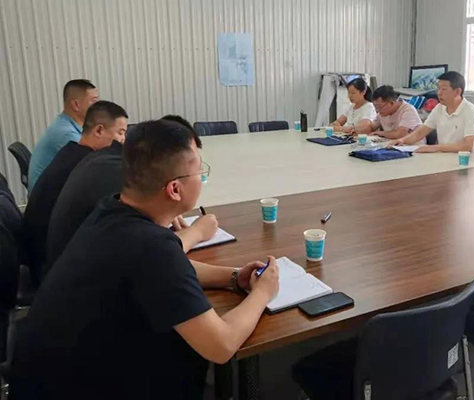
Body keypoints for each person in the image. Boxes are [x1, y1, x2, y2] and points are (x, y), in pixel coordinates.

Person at [11, 119, 280, 399]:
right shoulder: (151, 246)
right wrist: (263, 292)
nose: (202, 177)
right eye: (200, 171)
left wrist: (234, 276)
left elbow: (170, 270)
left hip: (48, 375)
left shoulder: (113, 209)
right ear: (174, 189)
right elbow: (221, 345)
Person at [46, 115, 214, 275]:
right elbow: (156, 256)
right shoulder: (116, 178)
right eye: (199, 169)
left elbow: (159, 263)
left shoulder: (109, 168)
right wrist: (197, 231)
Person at [22, 101, 128, 287]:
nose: (123, 140)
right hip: (52, 269)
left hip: (40, 256)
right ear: (99, 130)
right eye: (120, 133)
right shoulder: (91, 164)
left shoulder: (72, 152)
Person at [28, 79, 99, 191]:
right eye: (94, 101)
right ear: (76, 105)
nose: (98, 107)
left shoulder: (67, 124)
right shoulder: (66, 134)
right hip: (49, 197)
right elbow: (92, 163)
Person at [388, 71, 474, 154]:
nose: (439, 93)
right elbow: (421, 132)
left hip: (465, 162)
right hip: (443, 158)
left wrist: (436, 147)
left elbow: (468, 146)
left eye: (444, 89)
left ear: (457, 92)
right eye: (438, 88)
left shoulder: (470, 111)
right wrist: (402, 140)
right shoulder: (439, 108)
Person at [357, 85, 422, 139]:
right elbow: (372, 127)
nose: (377, 110)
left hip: (413, 146)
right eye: (375, 107)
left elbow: (400, 134)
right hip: (392, 144)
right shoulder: (382, 113)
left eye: (379, 107)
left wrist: (379, 133)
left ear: (392, 103)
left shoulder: (408, 110)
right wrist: (358, 131)